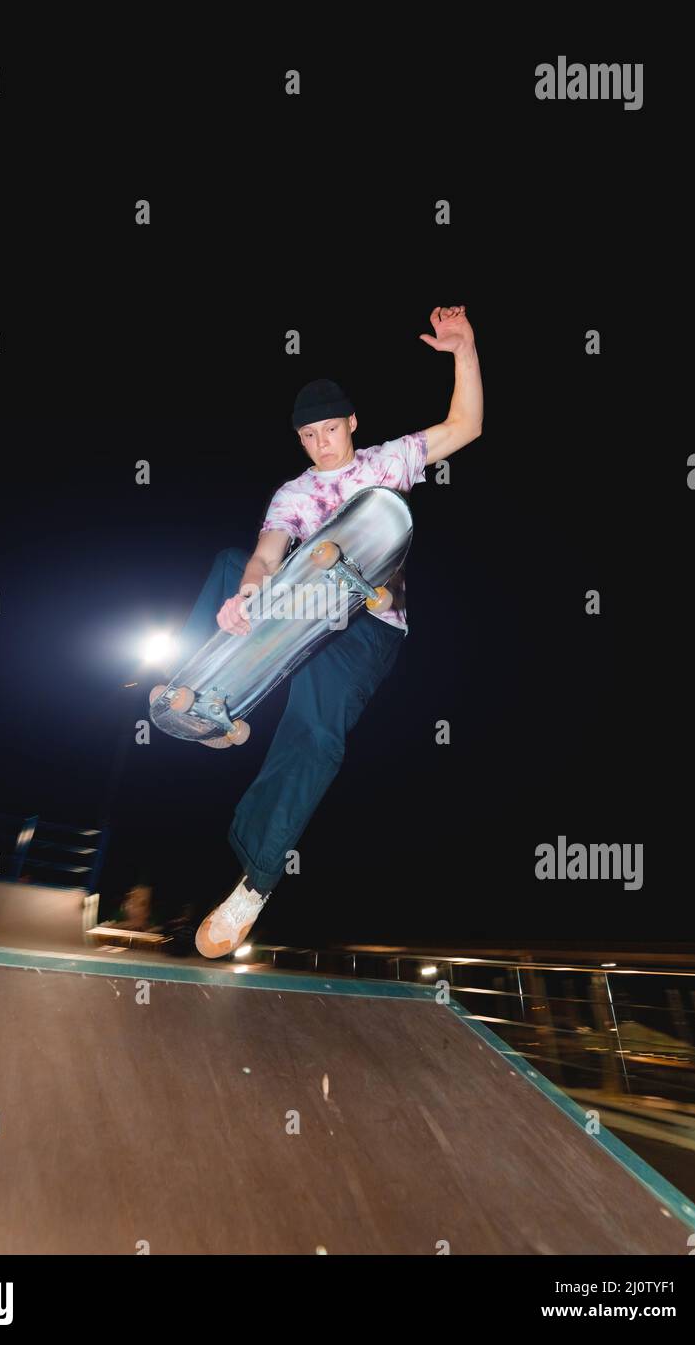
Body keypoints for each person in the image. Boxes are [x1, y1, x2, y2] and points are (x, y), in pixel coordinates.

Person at [177, 305, 483, 958]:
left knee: (315, 737)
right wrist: (248, 593)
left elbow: (467, 425)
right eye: (309, 437)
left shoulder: (388, 463)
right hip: (300, 608)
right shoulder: (292, 494)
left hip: (367, 630)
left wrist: (464, 350)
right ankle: (210, 704)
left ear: (352, 425)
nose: (321, 445)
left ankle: (253, 887)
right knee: (231, 567)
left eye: (330, 432)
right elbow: (265, 550)